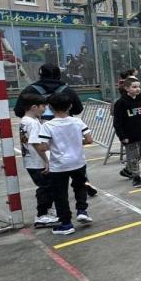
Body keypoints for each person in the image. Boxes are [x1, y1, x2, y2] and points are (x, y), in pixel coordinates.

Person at [39, 92, 95, 236]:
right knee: (80, 186)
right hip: (78, 162)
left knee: (60, 195)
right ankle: (82, 210)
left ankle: (66, 223)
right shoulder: (77, 122)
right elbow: (89, 139)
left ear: (50, 108)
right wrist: (76, 142)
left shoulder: (48, 125)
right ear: (70, 106)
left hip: (59, 165)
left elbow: (43, 147)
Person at [17, 92, 56, 227]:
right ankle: (42, 215)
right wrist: (46, 161)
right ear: (34, 107)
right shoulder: (33, 123)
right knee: (46, 187)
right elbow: (36, 143)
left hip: (30, 161)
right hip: (37, 162)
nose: (45, 109)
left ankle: (48, 210)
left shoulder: (24, 121)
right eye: (43, 106)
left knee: (47, 186)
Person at [113, 77, 141, 188]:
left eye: (139, 86)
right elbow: (117, 122)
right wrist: (122, 136)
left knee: (139, 154)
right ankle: (136, 177)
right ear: (126, 88)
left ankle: (127, 170)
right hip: (129, 136)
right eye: (134, 87)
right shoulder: (121, 103)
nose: (137, 89)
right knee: (133, 157)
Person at [13, 64, 83, 119]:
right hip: (63, 130)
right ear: (59, 74)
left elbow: (18, 111)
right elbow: (78, 109)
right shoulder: (67, 90)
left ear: (41, 74)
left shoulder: (29, 90)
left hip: (38, 130)